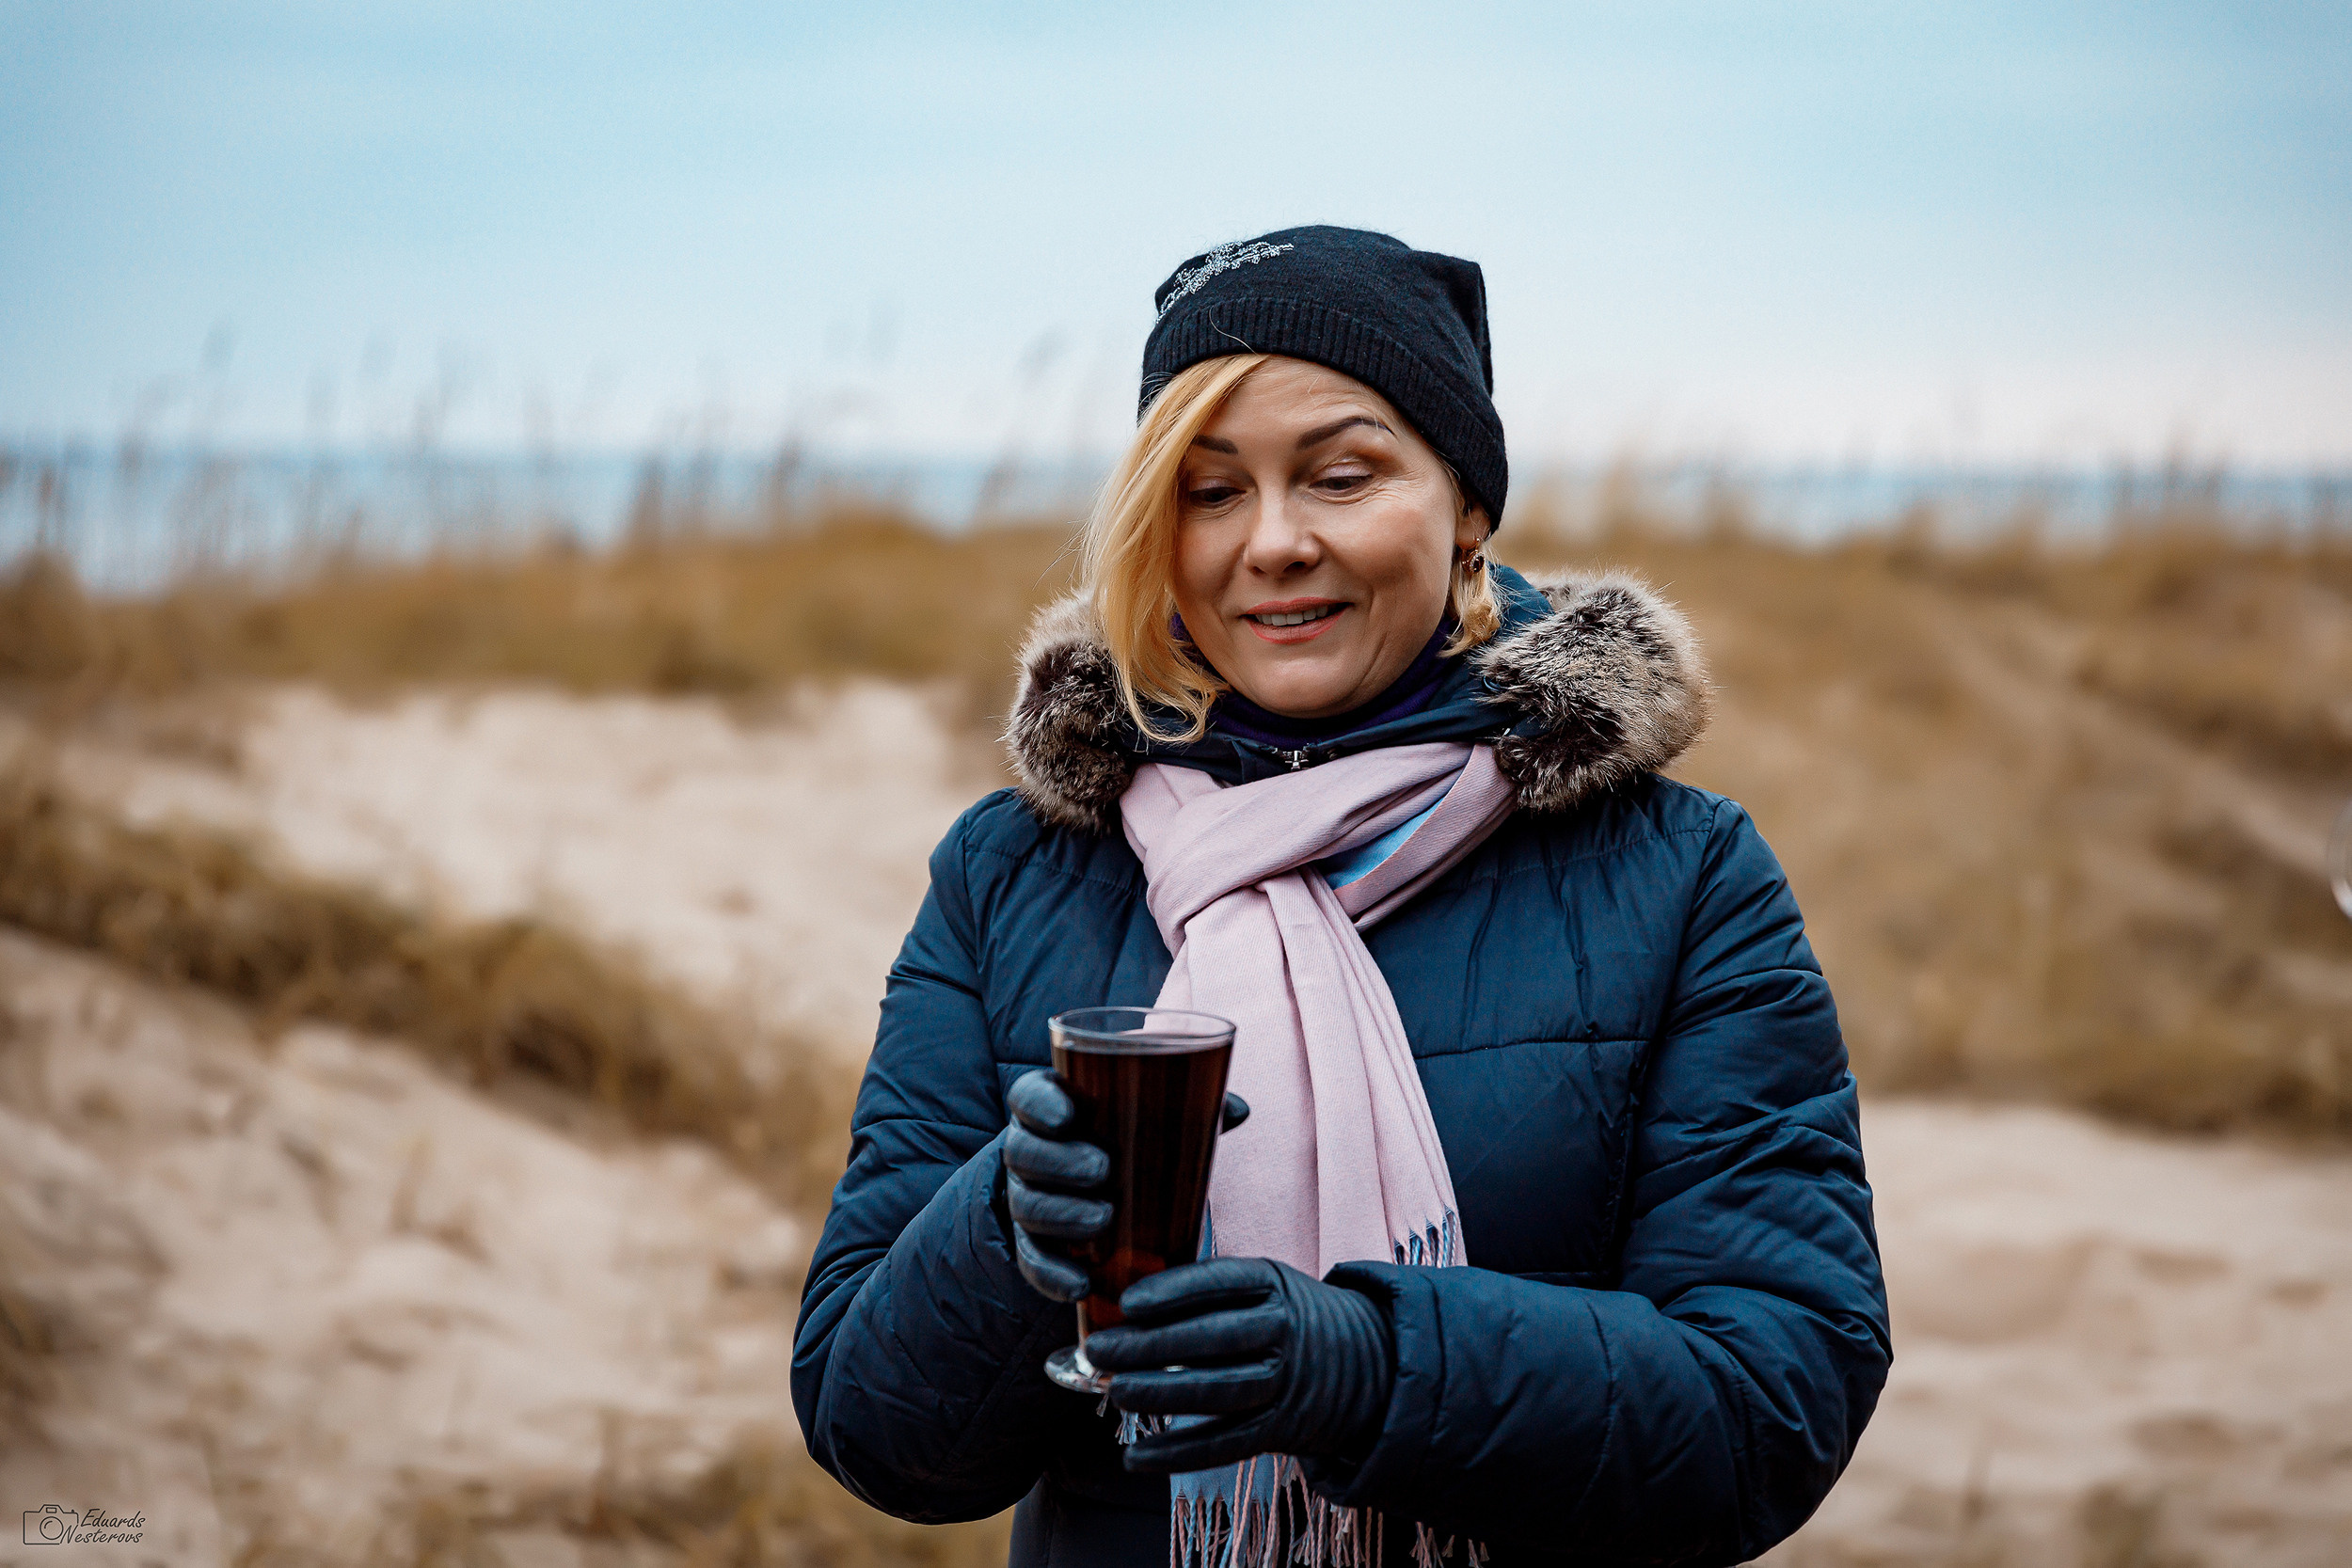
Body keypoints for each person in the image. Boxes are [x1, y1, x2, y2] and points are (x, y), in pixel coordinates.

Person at [792, 226, 1889, 1568]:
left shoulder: (1680, 876)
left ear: (1468, 506)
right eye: (1207, 492)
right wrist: (1000, 1233)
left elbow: (1771, 1407)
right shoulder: (1013, 871)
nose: (1273, 543)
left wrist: (1371, 1372)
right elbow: (876, 1435)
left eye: (1343, 474)